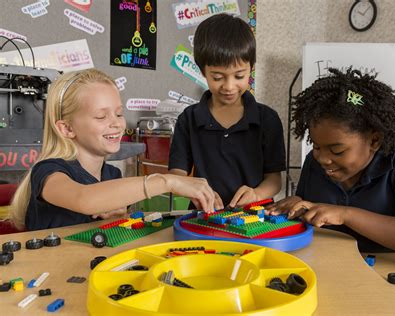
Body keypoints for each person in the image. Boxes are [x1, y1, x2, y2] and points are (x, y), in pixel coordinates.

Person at [10, 69, 214, 231]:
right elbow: (84, 199)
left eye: (118, 114)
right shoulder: (48, 172)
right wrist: (167, 181)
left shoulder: (113, 175)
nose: (116, 124)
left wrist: (118, 216)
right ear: (67, 128)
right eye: (101, 117)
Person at [268, 68, 395, 254]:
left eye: (337, 150)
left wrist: (345, 215)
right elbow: (310, 212)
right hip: (326, 265)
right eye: (316, 146)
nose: (323, 159)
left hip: (384, 274)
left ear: (374, 140)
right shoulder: (314, 162)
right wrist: (298, 205)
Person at [168, 13, 285, 210]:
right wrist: (195, 191)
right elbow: (176, 175)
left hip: (254, 220)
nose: (229, 86)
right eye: (218, 77)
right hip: (205, 217)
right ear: (203, 71)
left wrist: (256, 194)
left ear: (251, 69)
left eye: (239, 76)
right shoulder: (189, 119)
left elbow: (274, 180)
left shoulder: (267, 119)